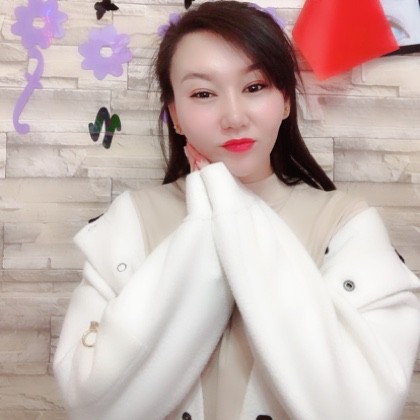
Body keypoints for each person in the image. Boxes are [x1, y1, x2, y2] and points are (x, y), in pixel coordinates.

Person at [53, 2, 420, 419]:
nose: (233, 116)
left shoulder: (344, 224)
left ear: (285, 100)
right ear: (175, 115)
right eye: (203, 94)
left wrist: (228, 209)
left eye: (255, 87)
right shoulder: (130, 221)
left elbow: (358, 408)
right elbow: (94, 405)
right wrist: (207, 220)